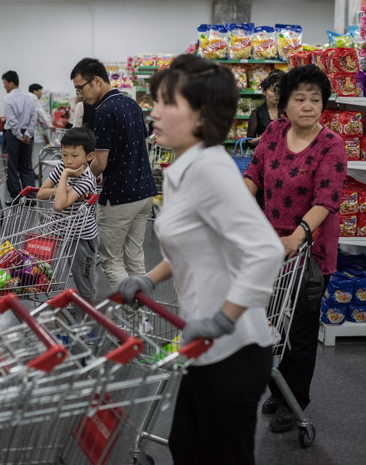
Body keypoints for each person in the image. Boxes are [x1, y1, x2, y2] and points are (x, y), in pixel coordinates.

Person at [117, 55, 284, 465]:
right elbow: (192, 245)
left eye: (166, 102)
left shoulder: (212, 169)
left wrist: (225, 316)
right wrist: (149, 279)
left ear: (200, 117)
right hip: (203, 343)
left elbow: (266, 248)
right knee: (187, 446)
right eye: (154, 100)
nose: (153, 112)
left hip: (234, 347)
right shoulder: (181, 170)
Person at [243, 64, 347, 433]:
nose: (307, 105)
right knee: (269, 321)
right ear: (283, 104)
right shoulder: (273, 132)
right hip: (271, 244)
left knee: (300, 329)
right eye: (299, 98)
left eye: (315, 99)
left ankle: (295, 400)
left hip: (309, 247)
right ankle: (278, 389)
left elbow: (327, 199)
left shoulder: (331, 145)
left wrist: (298, 236)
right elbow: (254, 174)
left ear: (324, 104)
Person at [69, 57, 156, 288]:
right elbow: (143, 147)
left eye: (81, 88)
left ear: (96, 80)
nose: (80, 95)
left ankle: (134, 318)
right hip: (144, 192)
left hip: (120, 196)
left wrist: (78, 180)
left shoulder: (105, 110)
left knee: (111, 261)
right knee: (135, 259)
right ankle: (143, 320)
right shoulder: (131, 104)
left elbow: (100, 163)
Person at [36, 127, 98, 303]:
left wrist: (63, 177)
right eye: (64, 155)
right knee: (53, 276)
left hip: (81, 238)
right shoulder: (62, 167)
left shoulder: (87, 179)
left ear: (89, 156)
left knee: (84, 282)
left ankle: (89, 317)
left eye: (74, 155)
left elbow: (59, 205)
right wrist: (67, 187)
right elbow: (41, 193)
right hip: (59, 233)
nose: (68, 161)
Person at [1, 70, 37, 201]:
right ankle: (31, 196)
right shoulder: (29, 98)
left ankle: (16, 197)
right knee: (26, 166)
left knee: (12, 167)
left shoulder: (8, 99)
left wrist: (18, 135)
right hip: (27, 136)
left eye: (4, 83)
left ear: (11, 83)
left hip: (13, 136)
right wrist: (27, 134)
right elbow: (34, 117)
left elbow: (11, 120)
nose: (4, 86)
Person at [246, 70, 285, 147]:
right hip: (265, 153)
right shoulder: (257, 113)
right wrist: (266, 136)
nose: (277, 95)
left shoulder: (286, 110)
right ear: (264, 91)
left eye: (279, 91)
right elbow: (249, 142)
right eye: (273, 91)